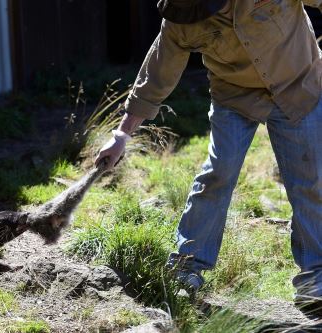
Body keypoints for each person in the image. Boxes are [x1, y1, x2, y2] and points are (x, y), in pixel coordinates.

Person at [95, 0, 322, 314]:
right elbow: (158, 72)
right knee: (218, 172)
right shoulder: (181, 16)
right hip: (233, 96)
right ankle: (186, 268)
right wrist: (122, 134)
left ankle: (316, 280)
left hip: (298, 85)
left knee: (310, 181)